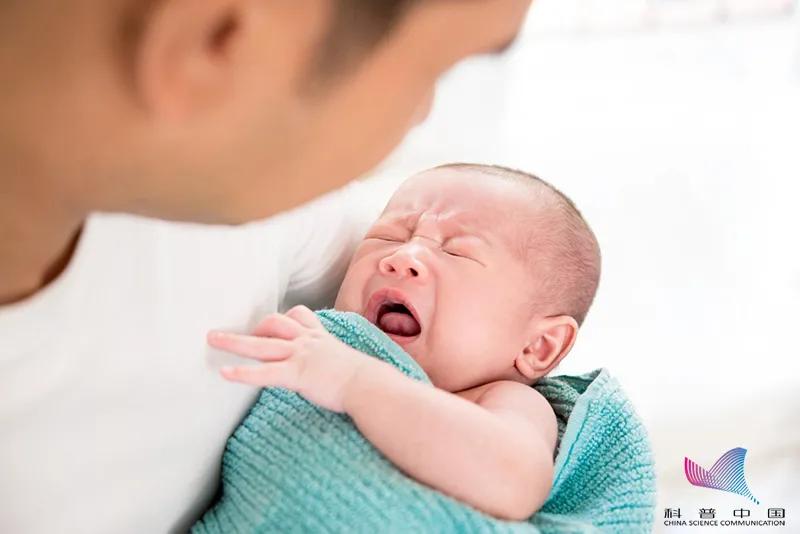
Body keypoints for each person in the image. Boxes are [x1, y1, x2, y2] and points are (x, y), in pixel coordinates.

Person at [0, 1, 533, 532]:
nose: (421, 116)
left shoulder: (269, 202)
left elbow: (507, 300)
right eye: (432, 71)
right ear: (214, 41)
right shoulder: (244, 186)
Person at [207, 163, 601, 522]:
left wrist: (354, 381)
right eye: (389, 235)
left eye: (457, 251)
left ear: (539, 347)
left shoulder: (504, 401)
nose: (402, 256)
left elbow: (512, 482)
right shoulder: (318, 346)